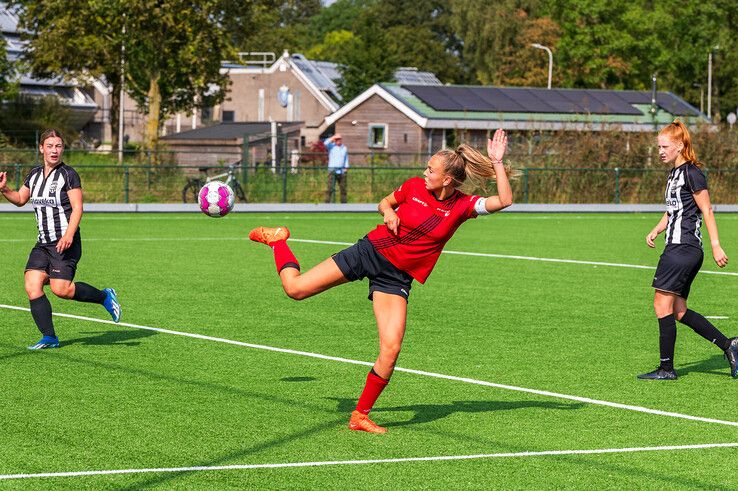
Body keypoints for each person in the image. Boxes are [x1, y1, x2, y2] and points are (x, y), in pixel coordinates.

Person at [249, 129, 513, 433]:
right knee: (294, 289)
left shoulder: (462, 207)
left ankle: (360, 415)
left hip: (396, 277)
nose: (424, 173)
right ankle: (278, 241)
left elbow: (504, 199)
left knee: (391, 348)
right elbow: (384, 202)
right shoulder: (413, 187)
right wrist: (388, 212)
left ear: (448, 180)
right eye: (426, 168)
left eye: (431, 170)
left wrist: (497, 163)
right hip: (369, 252)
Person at [0, 129, 121, 350]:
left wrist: (68, 235)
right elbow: (19, 199)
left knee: (61, 289)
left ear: (62, 148)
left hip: (65, 242)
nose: (54, 150)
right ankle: (49, 337)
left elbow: (78, 208)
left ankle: (104, 296)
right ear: (41, 148)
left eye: (58, 146)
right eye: (50, 146)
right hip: (43, 243)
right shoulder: (34, 175)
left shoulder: (68, 174)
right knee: (32, 285)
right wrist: (5, 189)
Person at [638, 120, 738, 380]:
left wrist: (716, 246)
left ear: (680, 145)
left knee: (661, 304)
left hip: (683, 248)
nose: (660, 151)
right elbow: (673, 211)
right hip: (679, 247)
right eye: (658, 146)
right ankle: (730, 346)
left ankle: (666, 368)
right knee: (678, 310)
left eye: (664, 146)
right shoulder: (674, 174)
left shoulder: (692, 172)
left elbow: (707, 209)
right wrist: (656, 229)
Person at [324, 133, 349, 203]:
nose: (338, 141)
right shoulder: (331, 146)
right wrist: (334, 137)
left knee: (343, 188)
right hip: (332, 170)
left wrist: (346, 167)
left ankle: (344, 205)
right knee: (330, 188)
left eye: (339, 139)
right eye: (336, 139)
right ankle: (327, 204)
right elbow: (325, 143)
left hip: (341, 171)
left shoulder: (344, 148)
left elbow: (346, 158)